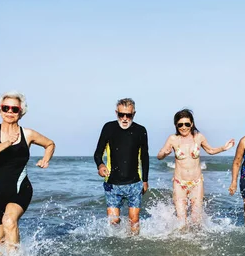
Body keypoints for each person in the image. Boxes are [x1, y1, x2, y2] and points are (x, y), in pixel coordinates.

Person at [0, 91, 55, 252]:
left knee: (9, 220)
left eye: (15, 109)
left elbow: (50, 144)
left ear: (21, 112)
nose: (9, 112)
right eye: (5, 108)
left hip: (20, 189)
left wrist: (45, 159)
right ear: (0, 110)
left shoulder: (27, 134)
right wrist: (7, 143)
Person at [157, 109, 235, 226]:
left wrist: (223, 148)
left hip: (196, 183)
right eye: (180, 125)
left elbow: (210, 150)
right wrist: (164, 153)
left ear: (192, 124)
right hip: (179, 183)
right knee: (181, 219)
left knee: (195, 219)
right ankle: (181, 241)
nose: (184, 127)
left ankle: (196, 242)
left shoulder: (198, 137)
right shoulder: (173, 139)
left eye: (187, 124)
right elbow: (159, 156)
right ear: (176, 125)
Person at [93, 98, 149, 235]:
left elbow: (145, 157)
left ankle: (134, 247)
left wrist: (145, 180)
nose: (124, 118)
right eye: (121, 115)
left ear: (133, 114)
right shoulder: (108, 128)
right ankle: (117, 248)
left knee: (134, 220)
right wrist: (100, 165)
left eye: (128, 115)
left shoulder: (140, 130)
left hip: (134, 183)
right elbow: (97, 153)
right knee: (113, 222)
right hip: (112, 184)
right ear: (116, 113)